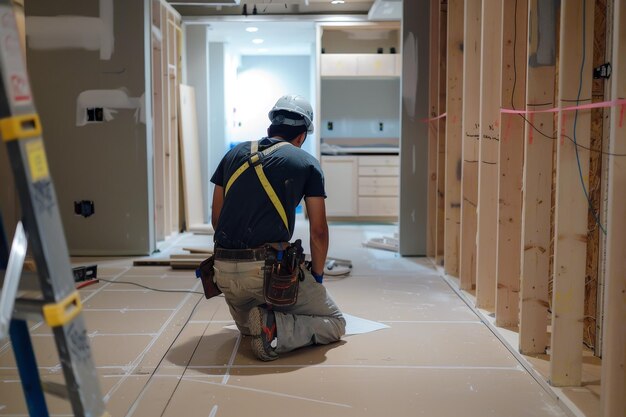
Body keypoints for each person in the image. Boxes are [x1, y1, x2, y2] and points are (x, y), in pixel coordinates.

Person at [210, 94, 346, 361]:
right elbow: (318, 231)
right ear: (302, 136)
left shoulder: (233, 154)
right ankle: (275, 326)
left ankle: (263, 320)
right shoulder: (307, 164)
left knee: (250, 328)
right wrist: (316, 277)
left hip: (224, 271)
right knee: (335, 322)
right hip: (269, 273)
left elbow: (217, 218)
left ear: (270, 127)